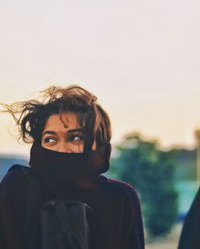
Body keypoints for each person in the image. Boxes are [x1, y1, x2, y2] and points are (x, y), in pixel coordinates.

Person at [0, 85, 145, 249]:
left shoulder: (120, 198)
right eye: (50, 140)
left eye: (76, 138)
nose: (62, 149)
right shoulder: (18, 187)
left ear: (101, 146)